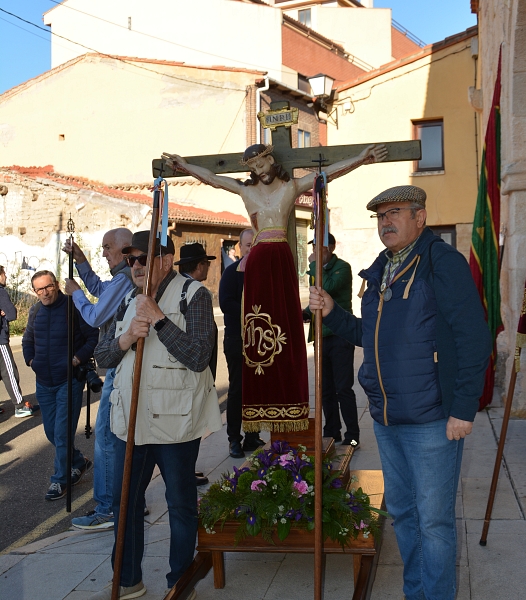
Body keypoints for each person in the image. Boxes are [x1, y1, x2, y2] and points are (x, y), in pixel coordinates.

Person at [309, 185, 491, 600]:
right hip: (387, 418)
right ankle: (416, 593)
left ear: (420, 217)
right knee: (405, 515)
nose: (385, 222)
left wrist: (463, 408)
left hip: (431, 418)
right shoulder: (380, 268)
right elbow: (366, 334)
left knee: (434, 522)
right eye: (379, 216)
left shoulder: (441, 262)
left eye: (394, 213)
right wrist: (333, 313)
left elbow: (474, 338)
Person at [162, 143, 387, 433]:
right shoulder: (247, 191)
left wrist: (361, 158)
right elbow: (214, 179)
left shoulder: (291, 187)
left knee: (285, 320)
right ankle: (261, 397)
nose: (258, 170)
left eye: (261, 164)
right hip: (259, 259)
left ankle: (289, 386)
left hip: (281, 257)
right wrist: (184, 165)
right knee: (257, 322)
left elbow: (327, 174)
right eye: (252, 167)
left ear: (271, 158)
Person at [92, 231, 221, 600]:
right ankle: (127, 579)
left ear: (164, 260)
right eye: (130, 259)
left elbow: (198, 357)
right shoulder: (128, 299)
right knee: (125, 503)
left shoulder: (194, 295)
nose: (134, 266)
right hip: (130, 423)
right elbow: (102, 356)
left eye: (142, 259)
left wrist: (160, 320)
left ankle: (179, 580)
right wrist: (126, 338)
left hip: (176, 424)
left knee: (180, 503)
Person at [62, 228, 134, 530]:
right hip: (119, 363)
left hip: (119, 364)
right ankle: (122, 503)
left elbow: (95, 315)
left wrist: (75, 293)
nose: (103, 253)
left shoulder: (126, 278)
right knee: (114, 436)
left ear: (124, 249)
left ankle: (107, 508)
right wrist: (80, 262)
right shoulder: (122, 278)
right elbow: (101, 288)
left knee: (106, 437)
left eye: (107, 248)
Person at [22, 271, 99, 501]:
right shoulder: (35, 311)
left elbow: (93, 337)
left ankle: (60, 480)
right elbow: (27, 339)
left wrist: (77, 359)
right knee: (51, 432)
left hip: (69, 381)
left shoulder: (73, 307)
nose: (44, 293)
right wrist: (31, 360)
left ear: (56, 285)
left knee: (63, 433)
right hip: (44, 382)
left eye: (48, 287)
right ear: (35, 292)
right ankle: (77, 461)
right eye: (39, 289)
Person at [303, 234, 359, 447]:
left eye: (320, 247)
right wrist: (304, 313)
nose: (315, 250)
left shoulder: (342, 268)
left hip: (340, 336)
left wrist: (314, 266)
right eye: (314, 246)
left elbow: (328, 289)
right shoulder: (317, 271)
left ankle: (352, 434)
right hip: (321, 336)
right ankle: (331, 430)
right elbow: (316, 300)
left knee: (343, 388)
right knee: (324, 388)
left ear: (332, 248)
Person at [173, 242, 218, 486]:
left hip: (190, 368)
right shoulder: (194, 291)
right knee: (189, 426)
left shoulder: (185, 288)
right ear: (199, 266)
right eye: (207, 263)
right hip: (192, 369)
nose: (209, 268)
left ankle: (186, 471)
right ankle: (184, 473)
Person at [219, 228, 264, 458]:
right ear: (240, 247)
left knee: (257, 391)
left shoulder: (265, 273)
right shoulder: (231, 273)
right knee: (238, 391)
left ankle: (252, 436)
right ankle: (234, 439)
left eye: (255, 245)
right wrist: (253, 311)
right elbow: (226, 303)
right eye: (248, 245)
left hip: (261, 344)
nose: (251, 249)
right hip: (238, 341)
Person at [0, 265, 32, 417]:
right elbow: (12, 314)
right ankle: (19, 406)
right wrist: (5, 313)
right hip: (0, 340)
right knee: (9, 372)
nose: (5, 276)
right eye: (3, 273)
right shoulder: (1, 292)